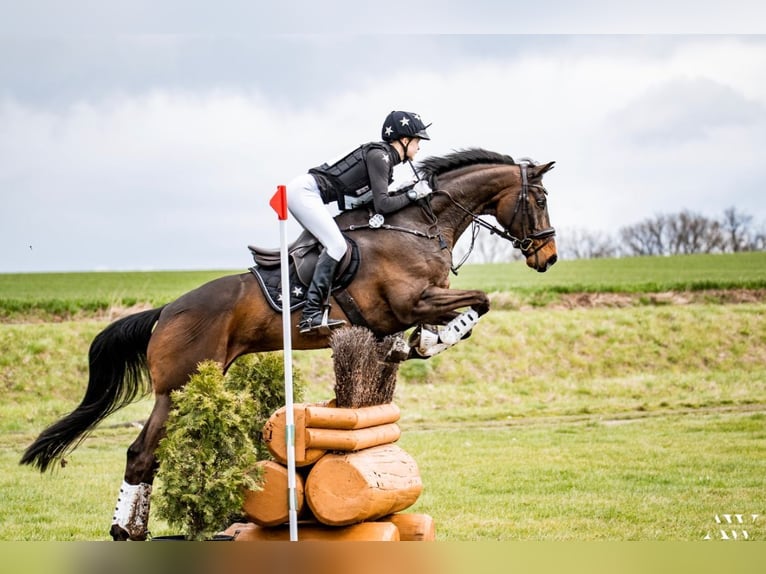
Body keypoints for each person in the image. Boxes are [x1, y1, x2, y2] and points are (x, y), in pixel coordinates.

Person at [287, 110, 433, 334]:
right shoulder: (380, 156)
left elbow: (373, 203)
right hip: (305, 192)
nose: (419, 147)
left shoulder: (384, 160)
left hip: (312, 193)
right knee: (336, 245)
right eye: (417, 141)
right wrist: (413, 195)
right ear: (404, 140)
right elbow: (383, 204)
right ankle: (310, 314)